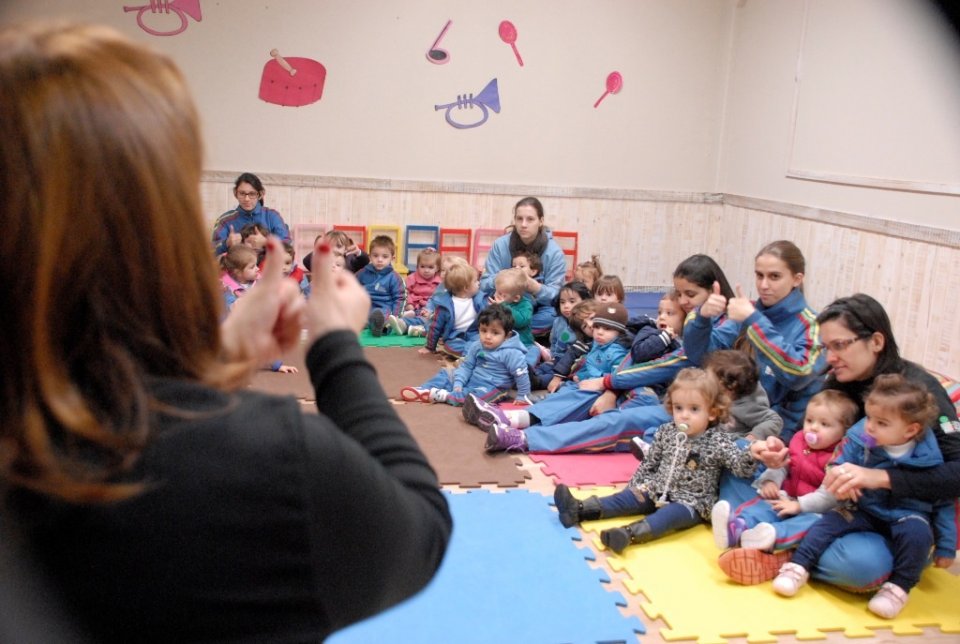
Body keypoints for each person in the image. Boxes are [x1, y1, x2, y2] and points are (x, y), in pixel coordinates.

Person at [0, 22, 451, 643]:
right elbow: (422, 527)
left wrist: (214, 359)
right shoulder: (269, 463)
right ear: (158, 223)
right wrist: (336, 350)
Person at [719, 293, 960, 591]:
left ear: (876, 342)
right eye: (826, 347)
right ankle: (773, 535)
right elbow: (804, 433)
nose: (830, 357)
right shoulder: (840, 379)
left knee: (862, 566)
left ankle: (780, 548)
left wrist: (880, 477)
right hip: (827, 499)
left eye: (839, 346)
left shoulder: (917, 395)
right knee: (738, 459)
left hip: (889, 518)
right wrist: (778, 451)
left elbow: (955, 474)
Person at [478, 254, 736, 454]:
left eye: (689, 295)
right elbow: (650, 359)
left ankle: (525, 438)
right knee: (588, 391)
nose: (683, 301)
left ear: (714, 290)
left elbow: (671, 362)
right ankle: (517, 419)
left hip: (680, 406)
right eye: (680, 295)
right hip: (663, 394)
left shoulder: (719, 325)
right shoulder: (689, 321)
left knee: (615, 421)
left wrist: (610, 383)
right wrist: (610, 385)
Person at [771, 375, 956, 619]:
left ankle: (898, 588)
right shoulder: (863, 437)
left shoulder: (928, 455)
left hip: (907, 514)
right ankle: (797, 566)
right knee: (827, 523)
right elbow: (840, 460)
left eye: (881, 422)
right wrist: (839, 474)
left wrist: (946, 545)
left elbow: (942, 500)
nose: (869, 426)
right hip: (865, 508)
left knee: (918, 536)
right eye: (869, 417)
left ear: (911, 430)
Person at [552, 368, 759, 553]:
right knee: (625, 499)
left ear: (712, 412)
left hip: (691, 503)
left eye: (694, 409)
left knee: (666, 518)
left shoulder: (718, 440)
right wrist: (633, 488)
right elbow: (649, 463)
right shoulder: (666, 431)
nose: (684, 416)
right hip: (656, 488)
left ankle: (627, 535)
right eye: (679, 408)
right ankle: (578, 509)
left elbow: (739, 465)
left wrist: (752, 453)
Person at [684, 240, 825, 442]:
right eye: (759, 275)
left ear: (797, 279)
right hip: (729, 417)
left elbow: (797, 373)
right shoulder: (750, 312)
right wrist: (702, 318)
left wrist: (755, 321)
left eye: (774, 277)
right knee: (664, 429)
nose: (764, 285)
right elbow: (702, 356)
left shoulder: (813, 325)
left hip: (777, 431)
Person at [710, 389, 857, 551]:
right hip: (788, 496)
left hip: (814, 508)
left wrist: (800, 506)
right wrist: (770, 480)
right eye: (809, 420)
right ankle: (737, 527)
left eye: (824, 424)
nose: (813, 428)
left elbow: (828, 497)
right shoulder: (799, 439)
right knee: (766, 505)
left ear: (845, 431)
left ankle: (772, 536)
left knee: (813, 523)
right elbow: (785, 464)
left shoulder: (839, 457)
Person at [468, 303, 631, 436]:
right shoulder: (597, 344)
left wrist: (593, 381)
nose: (599, 331)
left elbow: (615, 377)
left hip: (596, 391)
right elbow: (587, 364)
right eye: (597, 326)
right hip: (580, 383)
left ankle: (509, 420)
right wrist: (578, 376)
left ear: (619, 332)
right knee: (560, 394)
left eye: (607, 329)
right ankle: (515, 416)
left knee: (565, 403)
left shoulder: (618, 353)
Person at [402, 305, 530, 406]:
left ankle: (444, 396)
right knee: (446, 373)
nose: (488, 336)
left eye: (495, 333)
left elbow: (521, 374)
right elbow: (467, 366)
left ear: (507, 336)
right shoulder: (477, 345)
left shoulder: (513, 352)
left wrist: (522, 396)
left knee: (473, 398)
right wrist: (459, 382)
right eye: (483, 331)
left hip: (491, 388)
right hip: (471, 380)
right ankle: (424, 390)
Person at [480, 197, 567, 334]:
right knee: (479, 301)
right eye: (519, 219)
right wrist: (505, 279)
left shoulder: (554, 253)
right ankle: (511, 332)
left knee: (554, 315)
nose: (523, 224)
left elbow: (557, 295)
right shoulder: (500, 245)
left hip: (536, 308)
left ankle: (503, 331)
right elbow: (484, 283)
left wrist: (534, 287)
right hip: (502, 302)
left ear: (541, 221)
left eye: (530, 219)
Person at [703, 350, 784, 442]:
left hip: (733, 448)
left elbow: (774, 420)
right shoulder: (713, 393)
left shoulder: (748, 406)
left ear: (729, 389)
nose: (704, 381)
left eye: (709, 380)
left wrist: (751, 438)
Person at [531, 281, 593, 390]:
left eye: (572, 301)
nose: (566, 306)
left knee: (551, 377)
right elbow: (553, 340)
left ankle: (537, 382)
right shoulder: (558, 321)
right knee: (543, 368)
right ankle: (525, 376)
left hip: (571, 366)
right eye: (562, 302)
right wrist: (553, 356)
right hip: (556, 359)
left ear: (585, 302)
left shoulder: (586, 325)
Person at [211, 172, 291, 255]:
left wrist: (266, 242)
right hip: (237, 267)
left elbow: (288, 246)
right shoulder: (225, 220)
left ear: (260, 194)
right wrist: (226, 243)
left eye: (252, 194)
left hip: (269, 266)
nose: (246, 199)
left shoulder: (272, 216)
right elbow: (209, 252)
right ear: (235, 193)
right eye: (242, 193)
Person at [358, 235, 406, 337]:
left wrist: (396, 317)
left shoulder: (394, 277)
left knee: (383, 318)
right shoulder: (362, 273)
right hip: (366, 306)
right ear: (370, 256)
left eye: (384, 256)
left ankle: (381, 327)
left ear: (392, 258)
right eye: (375, 256)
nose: (379, 260)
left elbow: (399, 298)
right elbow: (352, 287)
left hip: (384, 308)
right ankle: (368, 324)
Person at [490, 267, 536, 350]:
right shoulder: (501, 303)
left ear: (516, 298)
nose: (495, 295)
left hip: (522, 343)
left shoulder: (526, 305)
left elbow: (521, 321)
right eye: (496, 291)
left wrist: (503, 306)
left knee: (533, 352)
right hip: (502, 342)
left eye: (500, 293)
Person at [219, 244, 260, 311]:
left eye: (256, 265)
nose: (257, 269)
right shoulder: (226, 288)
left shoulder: (260, 280)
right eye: (252, 267)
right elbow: (230, 308)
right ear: (238, 273)